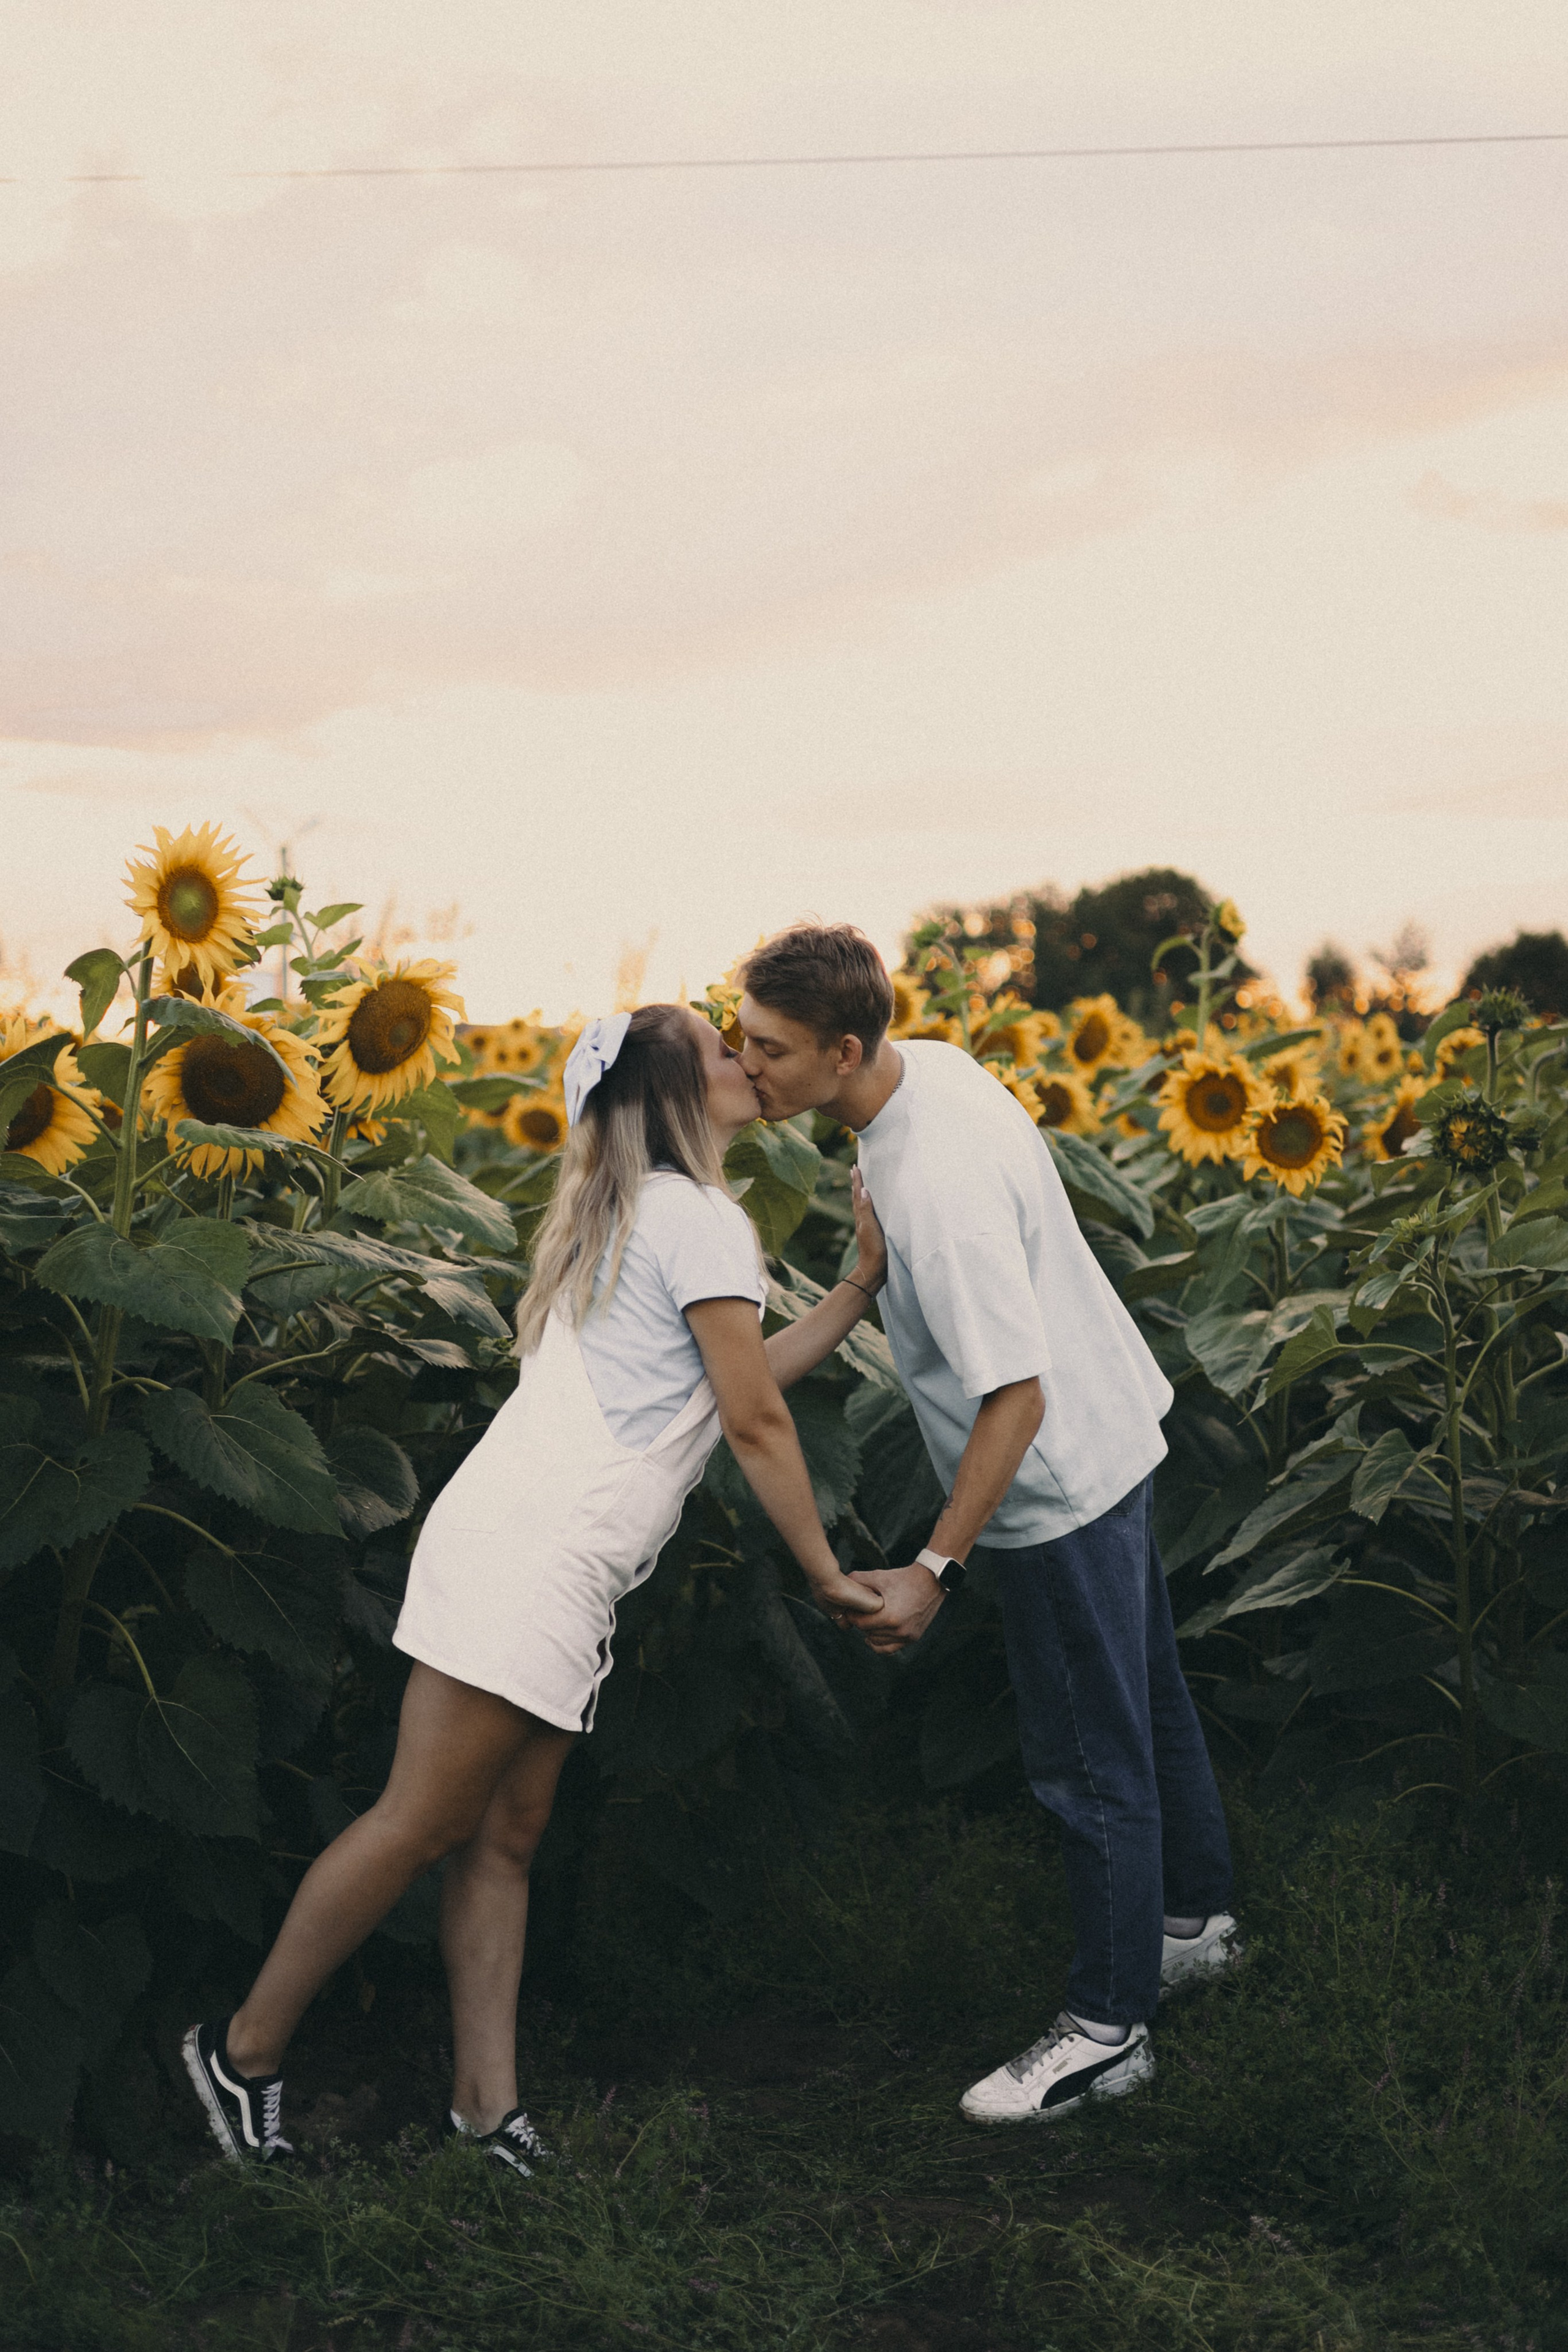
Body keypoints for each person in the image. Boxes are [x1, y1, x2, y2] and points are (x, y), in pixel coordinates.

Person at [184, 1002, 887, 2168]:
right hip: (534, 1557)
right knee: (422, 1821)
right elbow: (757, 1419)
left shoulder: (638, 1213)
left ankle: (484, 2113)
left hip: (539, 1553)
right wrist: (823, 1571)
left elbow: (729, 1383)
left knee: (504, 1834)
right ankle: (241, 2050)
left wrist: (857, 1286)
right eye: (724, 1049)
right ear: (673, 1091)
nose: (748, 1061)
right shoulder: (699, 1217)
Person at [734, 924, 1238, 2125]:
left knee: (1084, 1759)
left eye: (767, 1049)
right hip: (1116, 1434)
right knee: (1148, 1693)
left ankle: (1107, 2034)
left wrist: (930, 1569)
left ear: (843, 1048)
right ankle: (1195, 1926)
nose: (743, 1065)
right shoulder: (936, 1072)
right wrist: (867, 1271)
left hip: (1053, 1484)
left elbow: (1013, 1395)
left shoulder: (929, 1184)